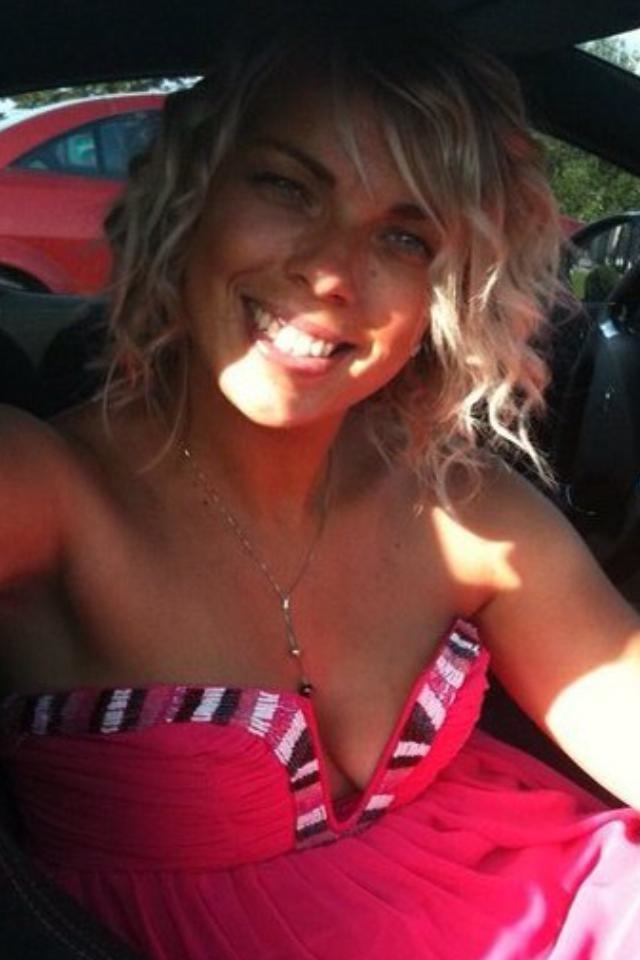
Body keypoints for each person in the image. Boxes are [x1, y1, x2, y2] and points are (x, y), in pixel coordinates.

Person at [1, 2, 640, 957]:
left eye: (404, 238)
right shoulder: (48, 488)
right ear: (191, 195)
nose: (333, 271)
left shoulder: (457, 506)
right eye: (287, 187)